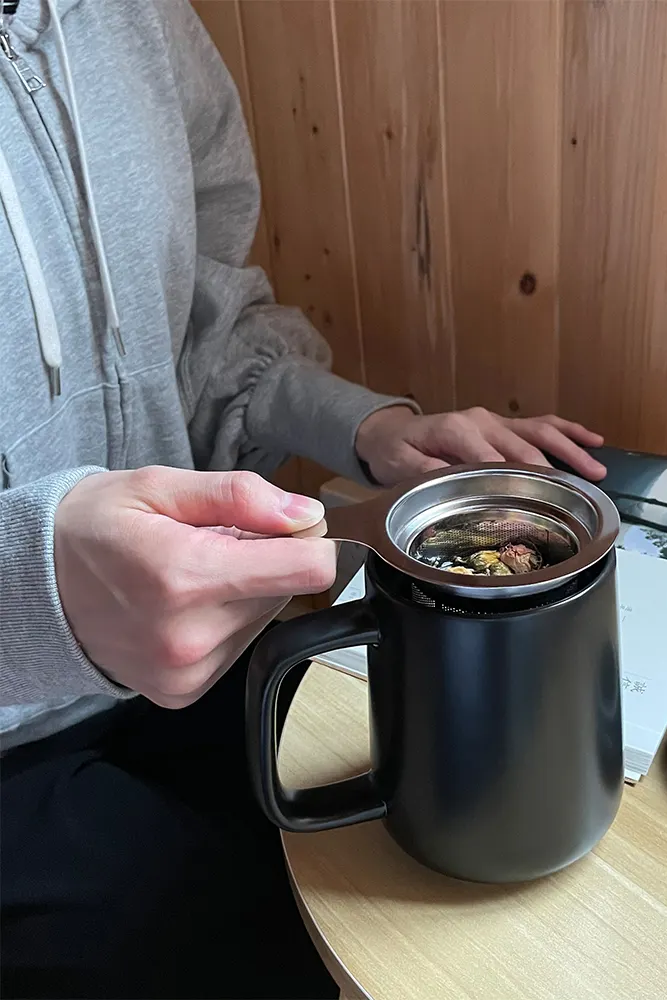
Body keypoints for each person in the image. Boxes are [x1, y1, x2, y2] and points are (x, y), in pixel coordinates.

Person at [0, 2, 607, 997]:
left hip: (198, 669)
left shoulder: (133, 20)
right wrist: (36, 584)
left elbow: (198, 324)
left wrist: (366, 429)